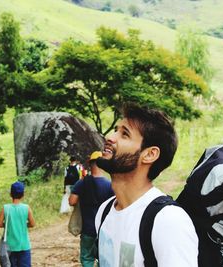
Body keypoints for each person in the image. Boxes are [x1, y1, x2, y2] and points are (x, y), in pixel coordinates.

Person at [94, 103, 198, 267]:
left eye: (124, 134)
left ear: (149, 154)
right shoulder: (105, 211)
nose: (110, 137)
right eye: (116, 130)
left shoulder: (168, 221)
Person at [69, 151, 114, 267]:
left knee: (87, 259)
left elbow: (72, 201)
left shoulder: (82, 183)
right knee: (103, 259)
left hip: (87, 230)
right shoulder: (110, 185)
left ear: (89, 164)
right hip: (103, 231)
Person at [0, 181, 35, 267]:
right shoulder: (26, 208)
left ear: (10, 194)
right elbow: (32, 224)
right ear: (23, 194)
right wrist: (24, 224)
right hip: (24, 246)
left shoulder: (6, 208)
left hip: (10, 247)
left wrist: (8, 224)